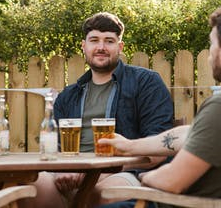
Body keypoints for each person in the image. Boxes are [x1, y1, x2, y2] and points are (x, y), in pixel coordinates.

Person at [99, 2, 221, 207]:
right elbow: (190, 134)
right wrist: (130, 146)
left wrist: (146, 177)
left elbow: (171, 181)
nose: (210, 53)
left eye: (212, 44)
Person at [27, 12, 174, 208]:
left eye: (109, 41)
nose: (101, 47)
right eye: (94, 40)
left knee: (102, 193)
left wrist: (98, 171)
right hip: (70, 176)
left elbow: (159, 149)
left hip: (122, 172)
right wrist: (62, 171)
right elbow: (56, 149)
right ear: (84, 46)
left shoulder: (145, 82)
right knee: (29, 186)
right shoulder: (68, 96)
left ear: (120, 47)